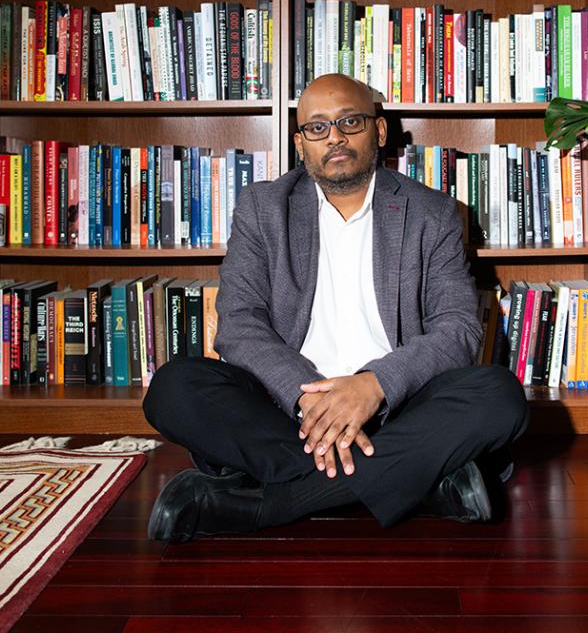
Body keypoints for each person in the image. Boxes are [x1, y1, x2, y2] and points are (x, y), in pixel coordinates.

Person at [143, 73, 528, 541]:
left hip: (396, 406)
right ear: (300, 144)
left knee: (498, 395)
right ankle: (422, 484)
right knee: (174, 387)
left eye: (350, 121)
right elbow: (240, 324)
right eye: (317, 128)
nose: (335, 138)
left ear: (379, 131)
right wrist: (307, 399)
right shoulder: (263, 208)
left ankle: (265, 505)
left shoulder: (433, 213)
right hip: (288, 409)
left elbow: (458, 330)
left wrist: (374, 386)